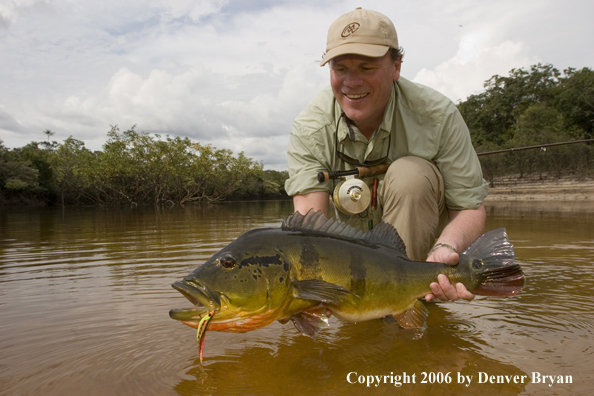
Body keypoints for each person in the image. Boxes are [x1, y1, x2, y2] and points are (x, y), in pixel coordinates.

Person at [284, 8, 489, 302]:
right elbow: (309, 230)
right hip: (349, 269)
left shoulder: (438, 116)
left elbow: (470, 207)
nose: (351, 82)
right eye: (340, 68)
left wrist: (447, 248)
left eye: (366, 68)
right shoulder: (310, 128)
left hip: (418, 255)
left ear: (396, 67)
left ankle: (410, 298)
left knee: (411, 176)